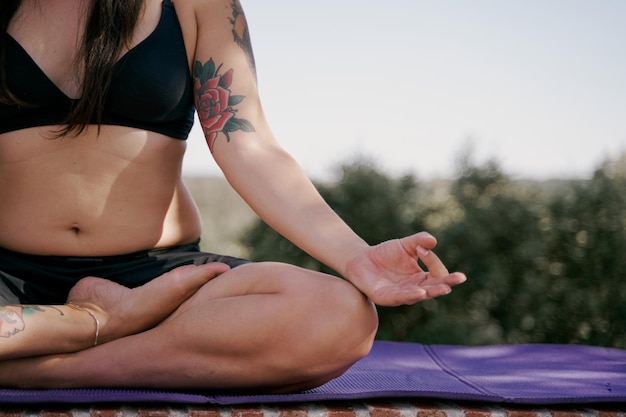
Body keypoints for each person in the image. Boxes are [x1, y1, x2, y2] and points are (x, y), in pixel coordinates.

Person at [0, 0, 466, 393]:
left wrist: (355, 257)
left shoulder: (197, 4)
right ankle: (94, 322)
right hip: (9, 273)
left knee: (339, 317)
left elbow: (249, 145)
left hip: (158, 281)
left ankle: (46, 369)